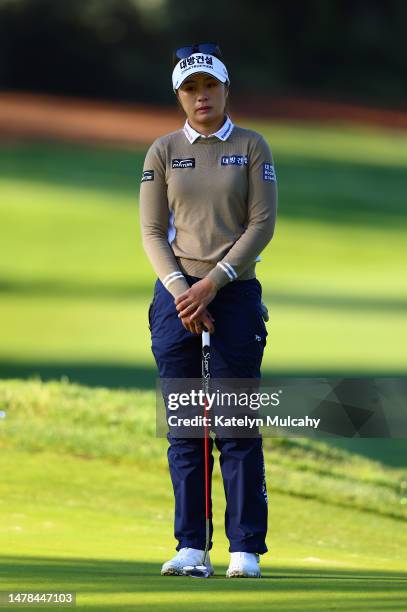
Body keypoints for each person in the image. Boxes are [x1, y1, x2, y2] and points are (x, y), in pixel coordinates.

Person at [139, 43, 277, 578]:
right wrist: (182, 289)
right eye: (190, 88)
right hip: (175, 295)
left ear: (225, 89)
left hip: (234, 294)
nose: (201, 97)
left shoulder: (252, 146)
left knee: (235, 422)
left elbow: (260, 224)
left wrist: (213, 283)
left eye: (209, 86)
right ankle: (192, 547)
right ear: (179, 94)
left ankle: (244, 548)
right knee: (185, 426)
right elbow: (152, 231)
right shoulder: (163, 151)